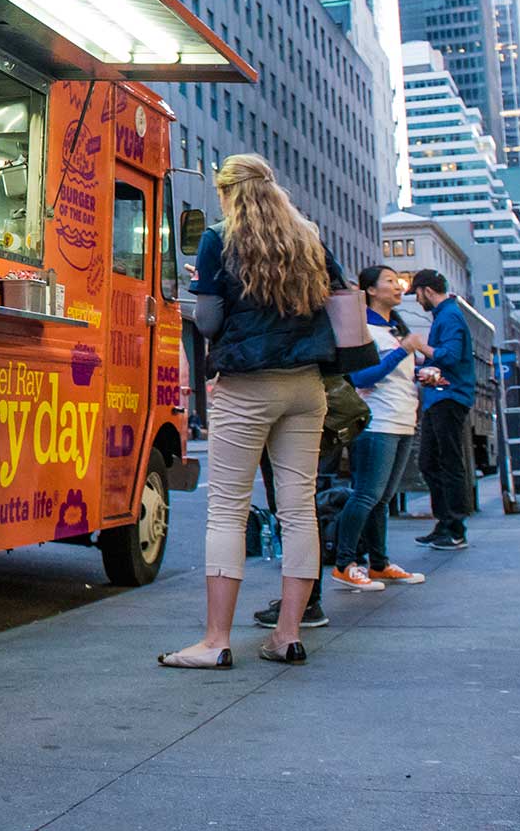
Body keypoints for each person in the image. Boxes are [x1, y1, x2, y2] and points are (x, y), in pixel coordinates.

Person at [160, 154, 340, 669]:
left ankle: (216, 641)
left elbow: (211, 322)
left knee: (228, 509)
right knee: (298, 509)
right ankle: (287, 635)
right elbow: (336, 298)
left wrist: (204, 286)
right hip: (306, 386)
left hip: (248, 385)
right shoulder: (308, 236)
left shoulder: (220, 238)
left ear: (226, 192)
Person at [329, 266, 431, 591]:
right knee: (366, 495)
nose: (398, 286)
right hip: (378, 422)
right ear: (370, 290)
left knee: (383, 498)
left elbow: (394, 376)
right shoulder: (364, 330)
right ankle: (345, 564)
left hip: (402, 420)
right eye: (389, 281)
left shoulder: (393, 331)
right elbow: (361, 377)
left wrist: (424, 373)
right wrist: (405, 350)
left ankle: (379, 563)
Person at [408, 270, 477, 550]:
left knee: (447, 462)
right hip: (440, 396)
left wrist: (418, 345)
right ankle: (445, 522)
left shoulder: (449, 316)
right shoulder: (445, 316)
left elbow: (449, 355)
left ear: (426, 290)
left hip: (448, 397)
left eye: (417, 294)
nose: (417, 300)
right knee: (431, 462)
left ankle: (455, 526)